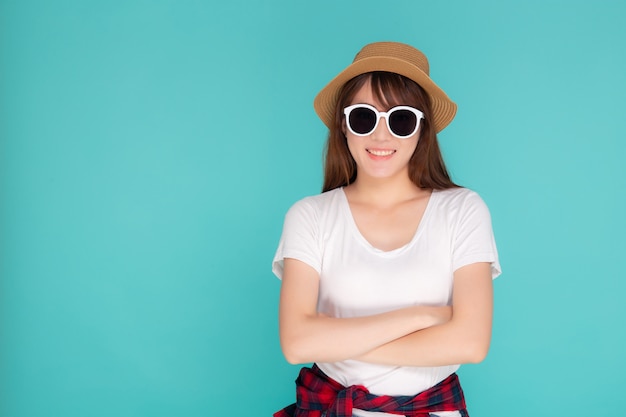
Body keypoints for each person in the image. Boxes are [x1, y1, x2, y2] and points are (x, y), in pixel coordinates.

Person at [272, 41, 501, 417]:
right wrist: (422, 317)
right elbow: (297, 343)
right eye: (364, 117)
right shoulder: (309, 216)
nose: (381, 137)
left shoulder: (463, 210)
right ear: (344, 126)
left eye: (401, 119)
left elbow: (471, 342)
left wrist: (333, 338)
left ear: (422, 130)